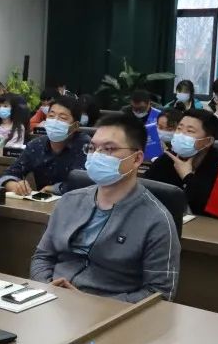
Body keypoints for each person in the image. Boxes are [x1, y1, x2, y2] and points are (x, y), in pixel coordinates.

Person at [31, 114, 180, 303]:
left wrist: (93, 304)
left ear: (136, 159)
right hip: (52, 301)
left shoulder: (157, 220)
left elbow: (160, 293)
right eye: (92, 148)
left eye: (109, 149)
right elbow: (42, 256)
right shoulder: (69, 201)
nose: (97, 155)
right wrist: (46, 288)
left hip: (111, 313)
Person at [0, 94, 89, 195]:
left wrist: (54, 189)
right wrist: (14, 185)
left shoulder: (86, 146)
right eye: (51, 116)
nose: (55, 122)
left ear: (75, 126)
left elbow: (85, 183)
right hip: (41, 201)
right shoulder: (36, 145)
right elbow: (9, 174)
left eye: (62, 118)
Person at [143, 109, 218, 216]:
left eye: (190, 131)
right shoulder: (168, 158)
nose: (181, 135)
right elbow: (144, 189)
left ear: (208, 141)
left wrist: (187, 177)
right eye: (179, 129)